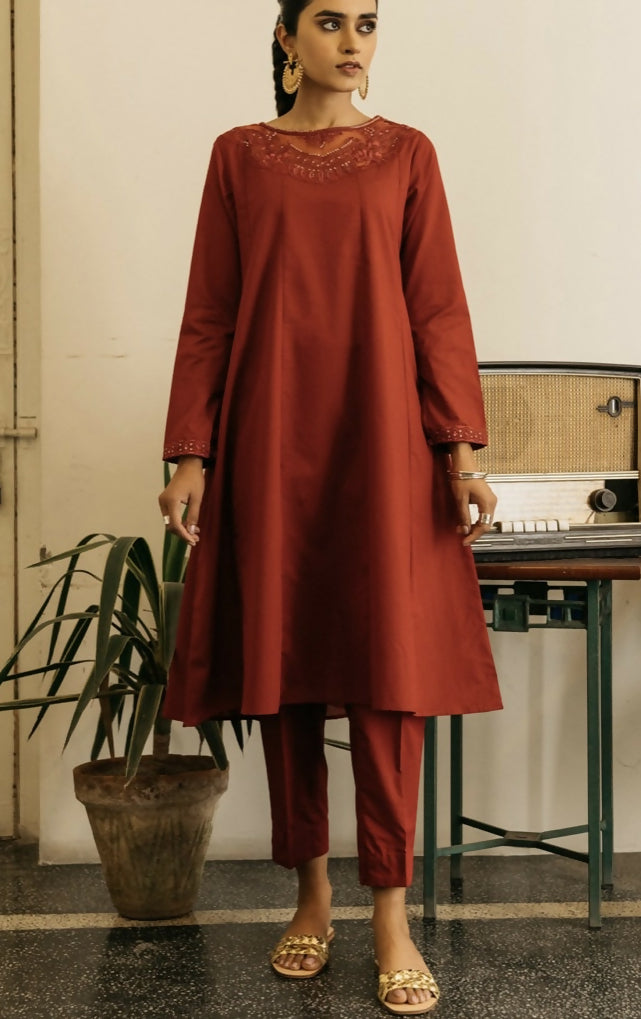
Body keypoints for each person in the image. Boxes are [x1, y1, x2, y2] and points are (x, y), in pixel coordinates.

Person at [159, 0, 502, 1013]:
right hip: (269, 441)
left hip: (383, 442)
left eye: (366, 23)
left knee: (390, 678)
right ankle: (310, 895)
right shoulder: (238, 157)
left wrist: (458, 451)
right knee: (288, 668)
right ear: (285, 39)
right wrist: (190, 452)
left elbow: (436, 306)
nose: (352, 41)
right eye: (328, 21)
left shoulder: (407, 154)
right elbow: (210, 310)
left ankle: (389, 911)